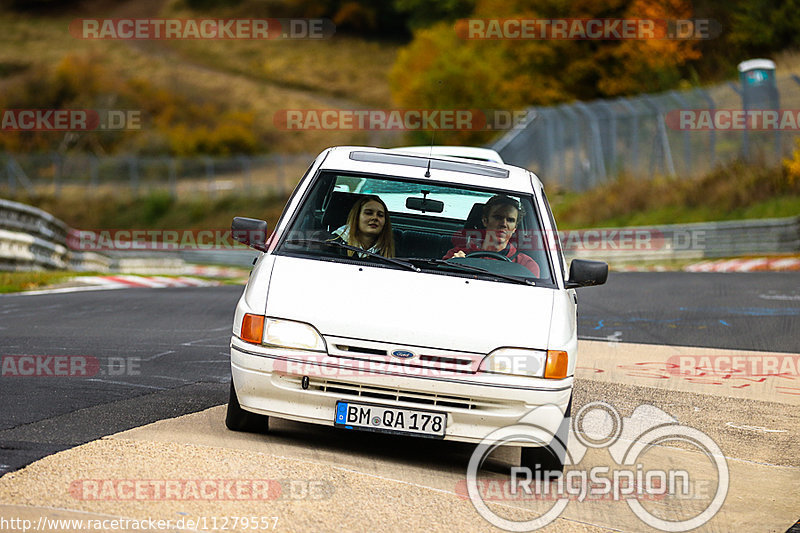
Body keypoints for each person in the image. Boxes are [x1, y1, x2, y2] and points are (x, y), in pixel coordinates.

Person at [444, 194, 540, 277]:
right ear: (485, 221)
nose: (503, 224)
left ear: (515, 228)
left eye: (510, 220)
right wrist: (453, 265)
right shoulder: (458, 254)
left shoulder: (527, 265)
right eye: (498, 217)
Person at [330, 195, 396, 258]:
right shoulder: (334, 244)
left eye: (380, 215)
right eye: (368, 213)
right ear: (356, 217)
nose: (375, 218)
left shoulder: (396, 248)